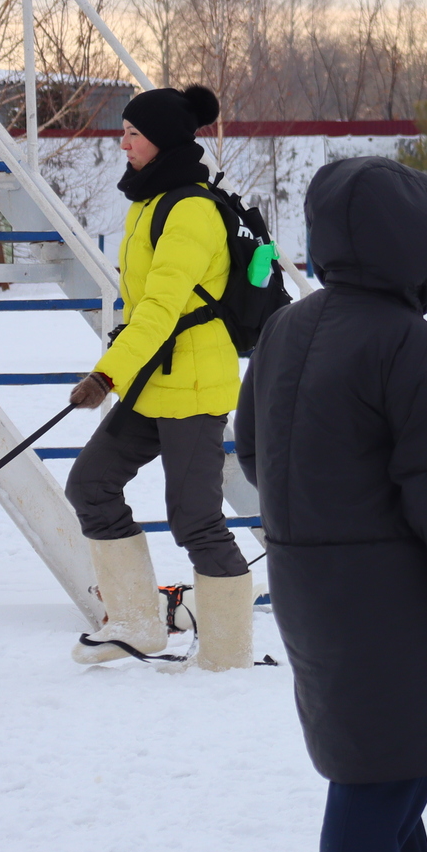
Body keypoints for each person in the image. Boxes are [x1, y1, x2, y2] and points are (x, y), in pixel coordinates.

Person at [237, 156, 427, 852]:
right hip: (386, 578)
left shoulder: (286, 326)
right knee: (380, 763)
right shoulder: (410, 346)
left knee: (395, 749)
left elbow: (250, 445)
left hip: (304, 570)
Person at [64, 84, 254, 671]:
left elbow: (161, 308)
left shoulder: (191, 210)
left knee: (195, 518)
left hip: (194, 386)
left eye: (133, 134)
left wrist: (105, 375)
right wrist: (122, 367)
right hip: (154, 380)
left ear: (163, 140)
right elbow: (141, 305)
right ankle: (137, 621)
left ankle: (227, 653)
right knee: (91, 486)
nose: (122, 143)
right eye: (123, 132)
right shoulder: (149, 201)